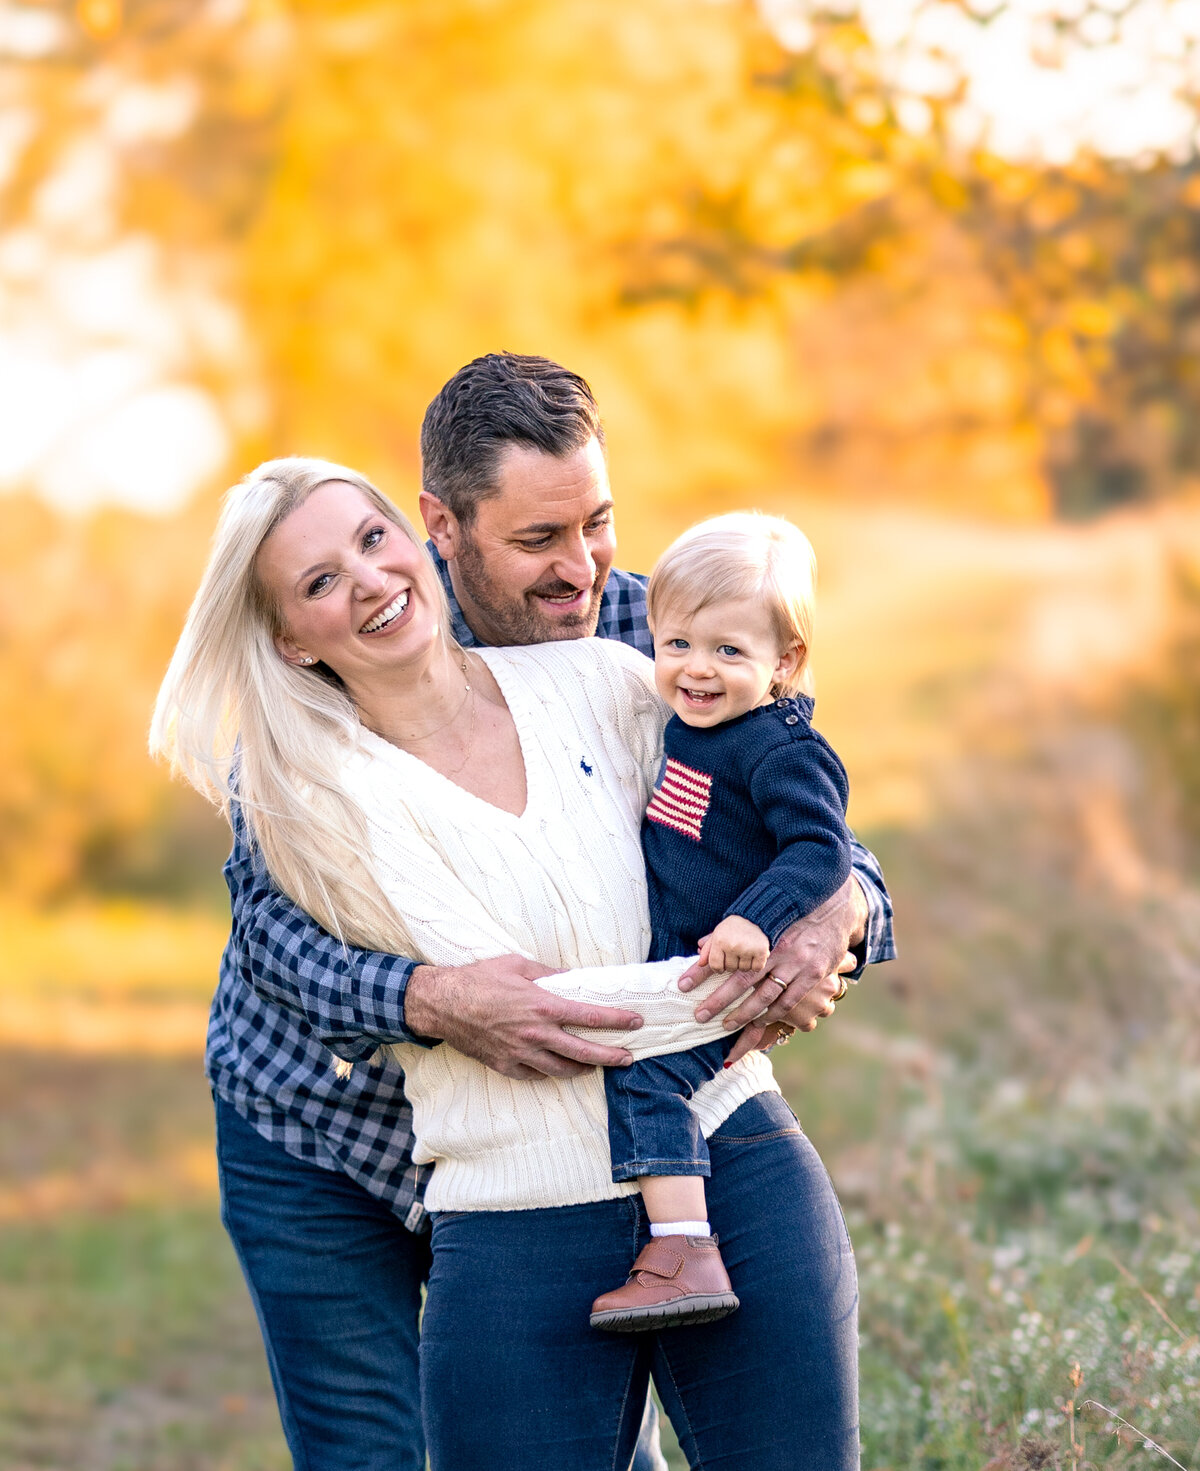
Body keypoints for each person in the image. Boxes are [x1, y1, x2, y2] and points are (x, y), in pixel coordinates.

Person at [172, 354, 894, 1471]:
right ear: (445, 525)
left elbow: (787, 806)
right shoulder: (320, 704)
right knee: (375, 1449)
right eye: (538, 541)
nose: (584, 569)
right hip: (328, 1124)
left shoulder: (641, 634)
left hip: (617, 1129)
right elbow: (277, 941)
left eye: (596, 523)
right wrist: (435, 996)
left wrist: (836, 908)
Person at [590, 511, 853, 1333]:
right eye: (678, 645)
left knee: (647, 1076)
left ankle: (682, 1250)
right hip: (680, 953)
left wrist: (753, 919)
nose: (697, 671)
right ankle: (676, 1240)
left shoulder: (780, 747)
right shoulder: (694, 725)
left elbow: (820, 850)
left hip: (729, 965)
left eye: (728, 652)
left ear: (787, 662)